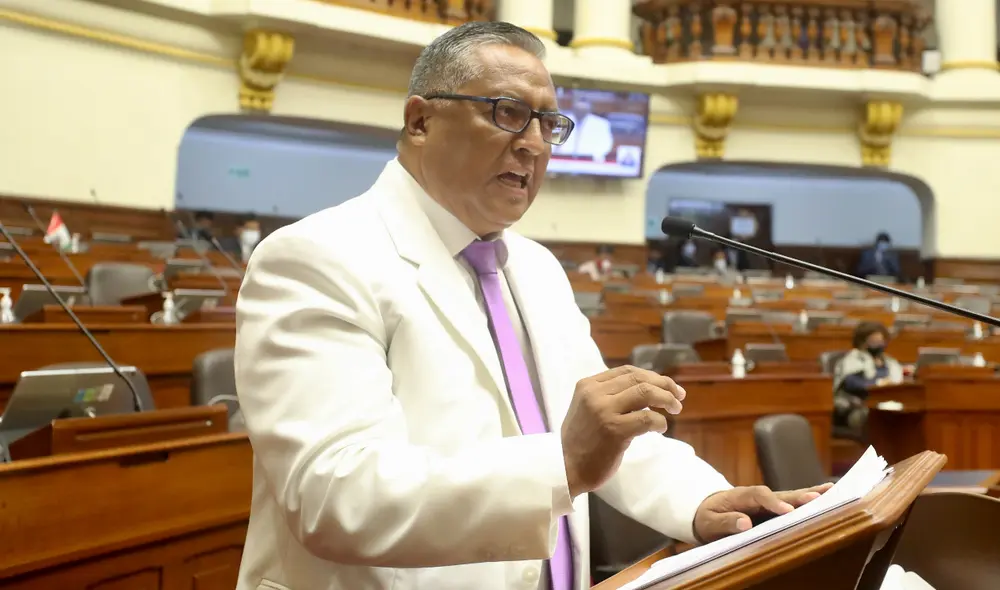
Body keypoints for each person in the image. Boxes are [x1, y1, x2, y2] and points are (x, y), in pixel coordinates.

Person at [234, 22, 829, 590]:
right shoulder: (318, 257)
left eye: (549, 124)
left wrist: (700, 501)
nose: (536, 144)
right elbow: (335, 495)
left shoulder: (537, 268)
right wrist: (563, 461)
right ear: (420, 121)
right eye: (508, 113)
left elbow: (605, 440)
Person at [832, 321, 904, 437]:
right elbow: (851, 383)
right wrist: (878, 383)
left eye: (881, 341)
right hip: (856, 409)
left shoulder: (890, 362)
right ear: (862, 342)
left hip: (887, 405)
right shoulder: (853, 358)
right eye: (874, 341)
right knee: (878, 418)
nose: (879, 344)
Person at [551, 98, 614, 162]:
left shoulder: (601, 123)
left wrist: (595, 155)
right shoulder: (561, 120)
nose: (581, 110)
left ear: (589, 109)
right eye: (578, 108)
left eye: (583, 109)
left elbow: (606, 145)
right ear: (573, 108)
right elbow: (552, 142)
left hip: (590, 160)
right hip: (564, 159)